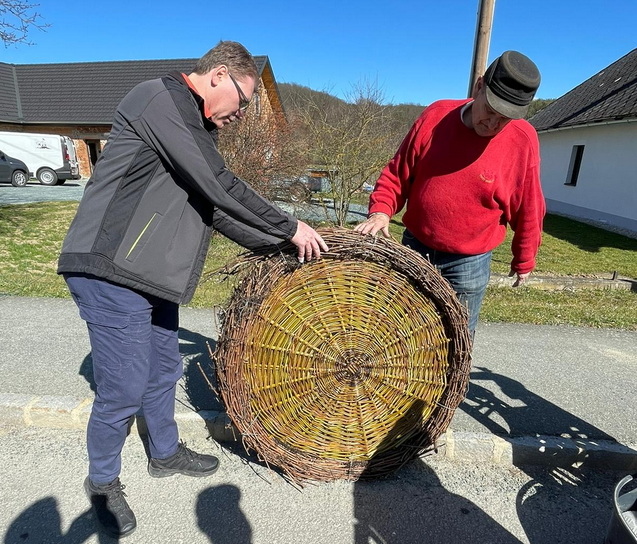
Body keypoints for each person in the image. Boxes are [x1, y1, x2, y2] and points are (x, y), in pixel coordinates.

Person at [57, 40, 327, 538]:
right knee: (123, 385)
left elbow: (215, 207)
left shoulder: (193, 127)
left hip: (148, 274)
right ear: (219, 75)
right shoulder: (160, 99)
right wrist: (288, 225)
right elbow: (220, 183)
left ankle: (164, 453)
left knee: (164, 366)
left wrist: (279, 246)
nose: (242, 114)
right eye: (244, 101)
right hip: (108, 267)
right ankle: (102, 483)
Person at [355, 50, 545, 338]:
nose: (492, 125)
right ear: (479, 87)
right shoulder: (436, 116)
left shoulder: (523, 139)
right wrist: (381, 209)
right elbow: (398, 171)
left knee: (454, 342)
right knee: (398, 333)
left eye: (503, 119)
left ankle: (451, 385)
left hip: (469, 263)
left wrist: (524, 258)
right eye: (490, 111)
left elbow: (529, 203)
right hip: (416, 247)